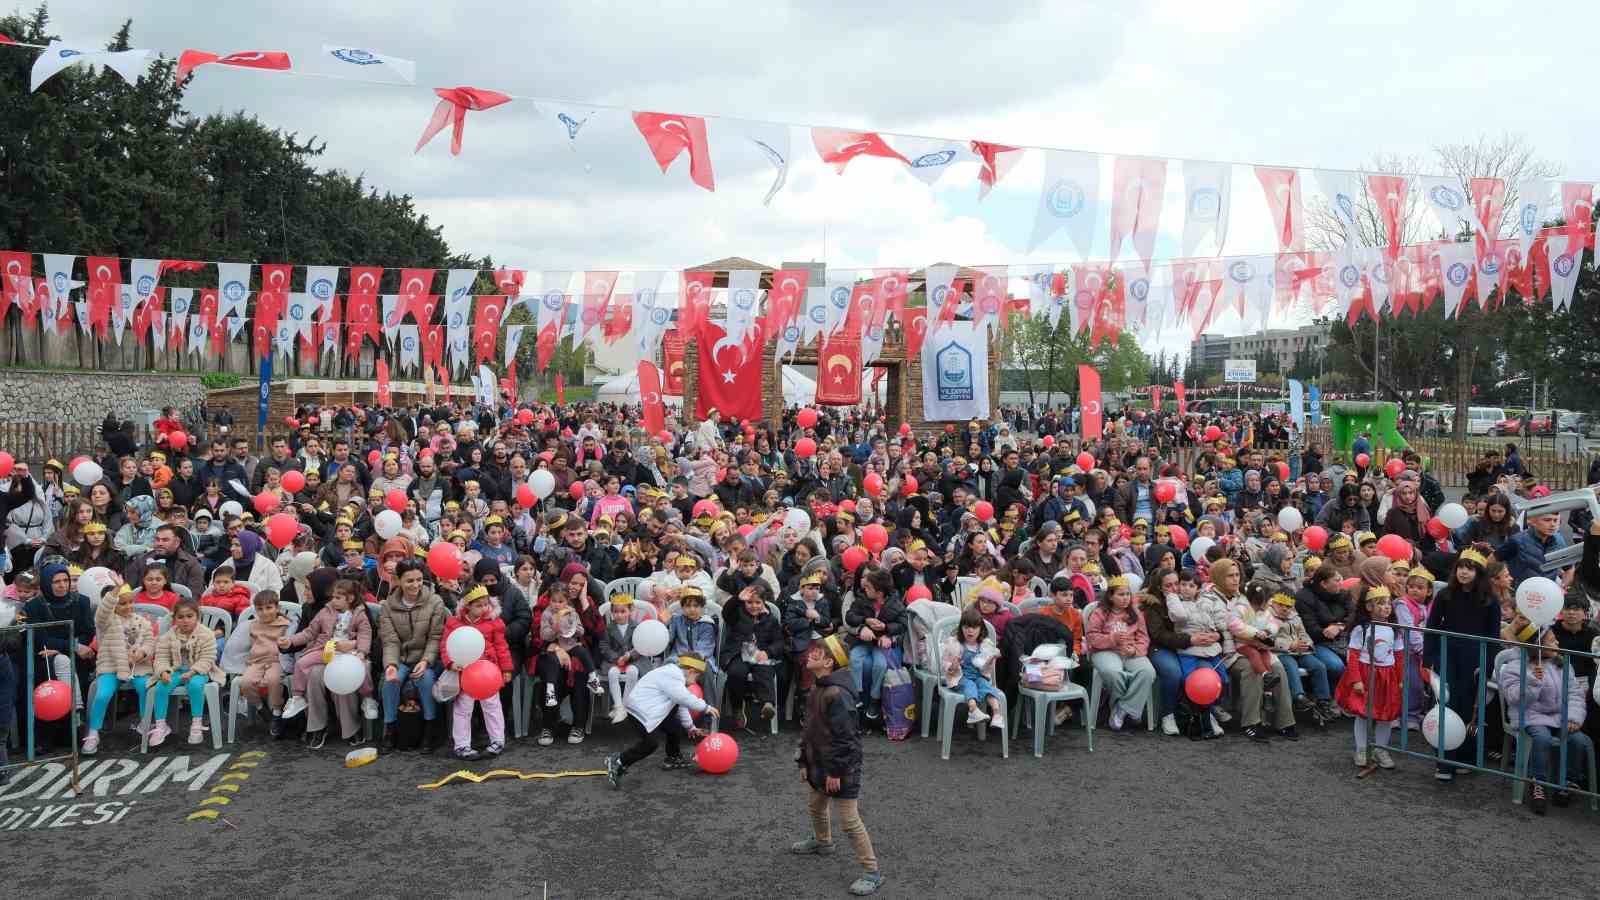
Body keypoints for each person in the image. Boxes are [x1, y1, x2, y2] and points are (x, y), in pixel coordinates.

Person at [790, 634, 882, 897]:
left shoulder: (837, 694)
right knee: (816, 806)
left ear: (828, 662)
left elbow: (848, 740)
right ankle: (823, 842)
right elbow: (809, 730)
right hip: (820, 763)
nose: (810, 655)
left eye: (816, 654)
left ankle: (872, 872)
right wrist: (803, 761)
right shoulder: (818, 688)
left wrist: (837, 772)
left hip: (840, 768)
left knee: (850, 822)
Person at [1423, 548, 1499, 783]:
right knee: (1447, 705)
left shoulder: (1490, 601)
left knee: (1469, 709)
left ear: (1479, 573)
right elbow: (1432, 628)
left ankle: (1464, 757)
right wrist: (1430, 659)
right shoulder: (1445, 595)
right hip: (1448, 657)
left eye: (1470, 568)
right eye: (1461, 567)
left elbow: (1493, 637)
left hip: (1474, 660)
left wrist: (1486, 665)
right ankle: (1444, 761)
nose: (1464, 572)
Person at [1498, 629, 1593, 813]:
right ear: (1537, 646)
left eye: (1556, 640)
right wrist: (1533, 681)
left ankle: (1568, 781)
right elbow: (1514, 697)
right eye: (1551, 641)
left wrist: (1574, 717)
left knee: (1578, 740)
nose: (1557, 643)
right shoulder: (1515, 667)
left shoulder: (1563, 665)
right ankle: (1537, 782)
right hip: (1530, 716)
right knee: (1542, 737)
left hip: (1559, 717)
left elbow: (1575, 694)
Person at [281, 578, 376, 748]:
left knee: (347, 675)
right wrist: (290, 641)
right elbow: (308, 632)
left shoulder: (360, 613)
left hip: (349, 655)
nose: (333, 601)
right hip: (326, 652)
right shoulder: (324, 611)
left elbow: (366, 636)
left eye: (337, 598)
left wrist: (359, 650)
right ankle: (315, 724)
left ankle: (353, 725)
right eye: (332, 597)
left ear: (351, 598)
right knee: (312, 672)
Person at [604, 652, 716, 785]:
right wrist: (705, 707)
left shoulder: (675, 677)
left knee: (674, 726)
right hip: (640, 712)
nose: (696, 681)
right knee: (651, 744)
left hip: (648, 709)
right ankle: (619, 760)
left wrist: (690, 726)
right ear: (691, 671)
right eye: (697, 676)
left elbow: (680, 704)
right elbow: (683, 698)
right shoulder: (673, 675)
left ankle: (673, 757)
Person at [379, 558, 447, 751]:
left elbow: (435, 637)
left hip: (426, 657)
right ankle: (390, 728)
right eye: (409, 581)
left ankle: (429, 728)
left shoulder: (434, 602)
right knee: (390, 681)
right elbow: (390, 641)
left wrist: (426, 661)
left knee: (425, 679)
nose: (415, 585)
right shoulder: (387, 607)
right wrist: (391, 665)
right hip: (400, 658)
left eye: (419, 579)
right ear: (399, 580)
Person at [440, 585, 514, 760]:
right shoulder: (454, 623)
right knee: (463, 707)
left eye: (486, 604)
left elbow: (501, 647)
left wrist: (506, 669)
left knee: (492, 705)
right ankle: (462, 745)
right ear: (467, 606)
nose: (484, 608)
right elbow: (445, 645)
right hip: (465, 673)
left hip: (488, 672)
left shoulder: (494, 622)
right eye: (478, 605)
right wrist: (450, 663)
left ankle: (497, 740)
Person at [81, 585, 156, 755]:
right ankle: (93, 732)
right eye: (123, 603)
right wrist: (114, 593)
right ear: (114, 604)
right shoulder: (106, 621)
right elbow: (102, 613)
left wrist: (142, 653)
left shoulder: (142, 621)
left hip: (138, 667)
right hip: (111, 666)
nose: (128, 606)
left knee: (145, 687)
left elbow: (150, 643)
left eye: (131, 602)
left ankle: (145, 723)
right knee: (102, 694)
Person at [1335, 585, 1403, 769]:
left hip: (1387, 677)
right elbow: (1354, 656)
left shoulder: (1395, 630)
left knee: (1385, 716)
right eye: (1380, 603)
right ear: (1369, 607)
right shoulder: (1361, 629)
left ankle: (1381, 749)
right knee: (1364, 714)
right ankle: (1361, 749)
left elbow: (1399, 657)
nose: (1386, 607)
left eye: (1389, 603)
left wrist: (1400, 679)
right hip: (1367, 675)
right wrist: (1356, 679)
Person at [1085, 575, 1155, 731]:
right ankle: (1132, 708)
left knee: (1147, 672)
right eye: (1121, 594)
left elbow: (1143, 637)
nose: (1125, 598)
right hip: (1105, 650)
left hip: (1130, 651)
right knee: (1113, 672)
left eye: (1128, 594)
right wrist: (1111, 639)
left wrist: (1135, 650)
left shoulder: (1135, 613)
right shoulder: (1100, 612)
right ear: (1110, 596)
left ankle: (1122, 709)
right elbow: (1091, 637)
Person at [149, 597, 219, 746]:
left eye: (189, 616)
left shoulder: (206, 634)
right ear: (174, 619)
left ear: (197, 617)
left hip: (200, 670)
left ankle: (196, 723)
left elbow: (208, 658)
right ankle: (161, 725)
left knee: (194, 686)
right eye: (180, 617)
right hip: (176, 670)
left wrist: (193, 671)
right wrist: (163, 672)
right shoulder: (168, 636)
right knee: (161, 686)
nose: (185, 620)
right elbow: (161, 658)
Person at [843, 565, 906, 722]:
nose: (865, 589)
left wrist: (886, 629)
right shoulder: (862, 599)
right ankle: (856, 694)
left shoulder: (895, 603)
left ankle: (874, 698)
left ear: (879, 592)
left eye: (869, 588)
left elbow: (903, 623)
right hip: (863, 641)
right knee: (855, 658)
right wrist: (864, 622)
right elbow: (850, 616)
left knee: (880, 665)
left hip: (880, 643)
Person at [941, 606, 1005, 729]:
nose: (970, 631)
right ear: (961, 628)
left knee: (986, 686)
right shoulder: (955, 644)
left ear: (980, 629)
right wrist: (953, 666)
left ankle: (997, 714)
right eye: (966, 627)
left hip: (978, 676)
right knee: (969, 685)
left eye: (974, 627)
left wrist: (991, 659)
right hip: (960, 677)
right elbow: (945, 663)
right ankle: (973, 710)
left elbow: (986, 670)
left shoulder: (984, 645)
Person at [600, 594, 653, 723]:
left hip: (635, 660)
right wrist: (616, 658)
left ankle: (625, 706)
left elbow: (641, 645)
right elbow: (604, 646)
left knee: (633, 672)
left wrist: (630, 655)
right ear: (612, 612)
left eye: (623, 611)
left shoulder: (637, 627)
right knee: (612, 673)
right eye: (615, 612)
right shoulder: (608, 628)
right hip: (614, 660)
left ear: (630, 611)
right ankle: (618, 706)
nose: (619, 615)